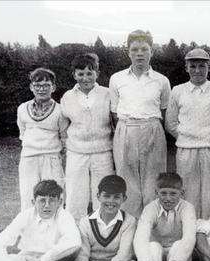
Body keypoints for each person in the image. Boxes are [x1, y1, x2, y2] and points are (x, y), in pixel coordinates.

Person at [36, 175, 139, 261]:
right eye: (106, 196)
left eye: (116, 197)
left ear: (124, 198)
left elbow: (124, 256)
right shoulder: (85, 222)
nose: (111, 201)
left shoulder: (129, 221)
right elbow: (80, 257)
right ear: (98, 196)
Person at [109, 29, 171, 218]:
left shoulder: (161, 80)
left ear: (151, 51)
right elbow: (114, 112)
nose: (139, 53)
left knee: (154, 180)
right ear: (128, 52)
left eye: (144, 49)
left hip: (152, 129)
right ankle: (130, 227)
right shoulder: (116, 79)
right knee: (127, 180)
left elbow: (164, 110)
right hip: (126, 129)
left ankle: (152, 226)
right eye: (134, 49)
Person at [165, 48, 210, 219]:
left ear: (209, 67)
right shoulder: (177, 91)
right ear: (186, 68)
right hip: (186, 151)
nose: (197, 71)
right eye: (192, 66)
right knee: (188, 192)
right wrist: (186, 138)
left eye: (202, 66)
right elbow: (170, 123)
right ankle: (189, 231)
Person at [60, 53, 115, 222]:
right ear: (74, 75)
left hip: (102, 152)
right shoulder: (68, 97)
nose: (85, 78)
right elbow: (63, 126)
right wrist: (65, 146)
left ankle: (102, 229)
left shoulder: (107, 94)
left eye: (89, 73)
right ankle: (74, 232)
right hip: (76, 152)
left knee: (103, 192)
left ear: (97, 73)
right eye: (80, 74)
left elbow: (115, 123)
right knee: (76, 193)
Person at [132, 173, 196, 261]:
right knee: (153, 245)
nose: (168, 198)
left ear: (182, 192)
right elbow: (140, 238)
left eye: (173, 194)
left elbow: (189, 238)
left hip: (179, 256)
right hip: (156, 256)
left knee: (179, 245)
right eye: (163, 193)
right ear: (156, 192)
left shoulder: (188, 208)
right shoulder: (150, 208)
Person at [17, 68, 68, 210]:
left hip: (51, 159)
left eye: (46, 85)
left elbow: (64, 137)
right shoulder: (22, 108)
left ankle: (55, 229)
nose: (41, 89)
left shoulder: (60, 110)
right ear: (31, 87)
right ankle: (29, 229)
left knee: (54, 196)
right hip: (28, 159)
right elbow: (23, 133)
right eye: (37, 85)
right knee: (28, 196)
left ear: (53, 87)